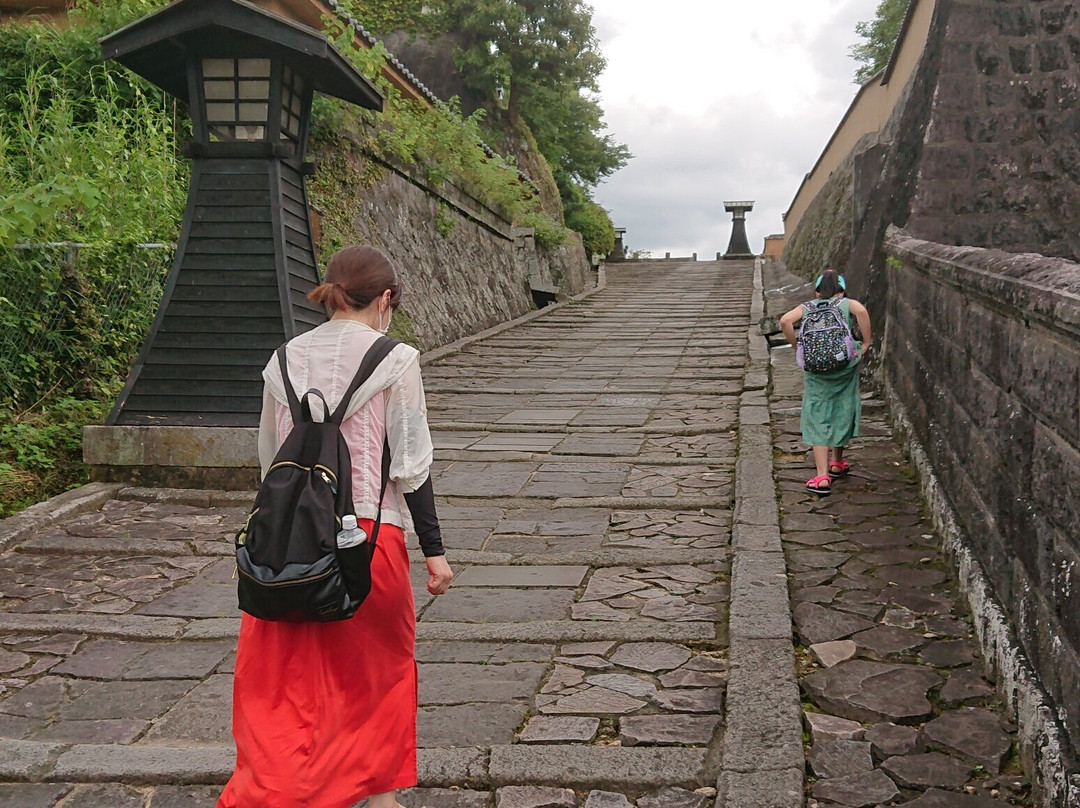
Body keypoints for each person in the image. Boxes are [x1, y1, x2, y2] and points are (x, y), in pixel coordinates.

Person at [218, 245, 453, 808]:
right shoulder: (396, 360)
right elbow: (411, 466)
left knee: (284, 673)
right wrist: (435, 552)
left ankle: (280, 786)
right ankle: (377, 793)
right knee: (378, 670)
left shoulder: (282, 362)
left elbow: (271, 457)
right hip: (372, 536)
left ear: (332, 292)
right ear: (386, 299)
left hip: (292, 539)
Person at [779, 268, 872, 496]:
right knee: (843, 405)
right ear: (842, 288)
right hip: (844, 366)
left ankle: (822, 475)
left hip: (816, 370)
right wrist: (866, 343)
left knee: (818, 414)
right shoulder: (849, 304)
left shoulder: (808, 307)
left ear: (817, 289)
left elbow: (784, 321)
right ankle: (837, 461)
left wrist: (797, 345)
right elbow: (861, 311)